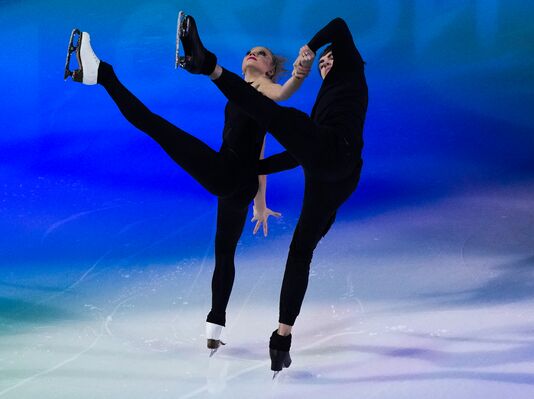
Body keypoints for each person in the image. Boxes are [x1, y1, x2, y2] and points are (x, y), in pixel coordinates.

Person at [64, 27, 312, 355]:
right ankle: (215, 327)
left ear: (269, 69)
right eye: (251, 50)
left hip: (227, 173)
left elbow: (281, 95)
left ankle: (103, 74)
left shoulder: (264, 88)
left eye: (263, 53)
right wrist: (260, 203)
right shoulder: (243, 92)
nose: (254, 53)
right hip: (239, 181)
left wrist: (298, 76)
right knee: (225, 253)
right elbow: (261, 153)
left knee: (155, 124)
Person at [178, 16, 368, 373]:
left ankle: (209, 66)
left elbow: (341, 26)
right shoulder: (322, 101)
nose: (327, 65)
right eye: (323, 63)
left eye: (331, 60)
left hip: (339, 153)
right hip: (325, 173)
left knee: (283, 119)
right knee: (300, 249)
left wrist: (311, 50)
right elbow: (294, 153)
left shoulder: (353, 71)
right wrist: (254, 174)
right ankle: (282, 340)